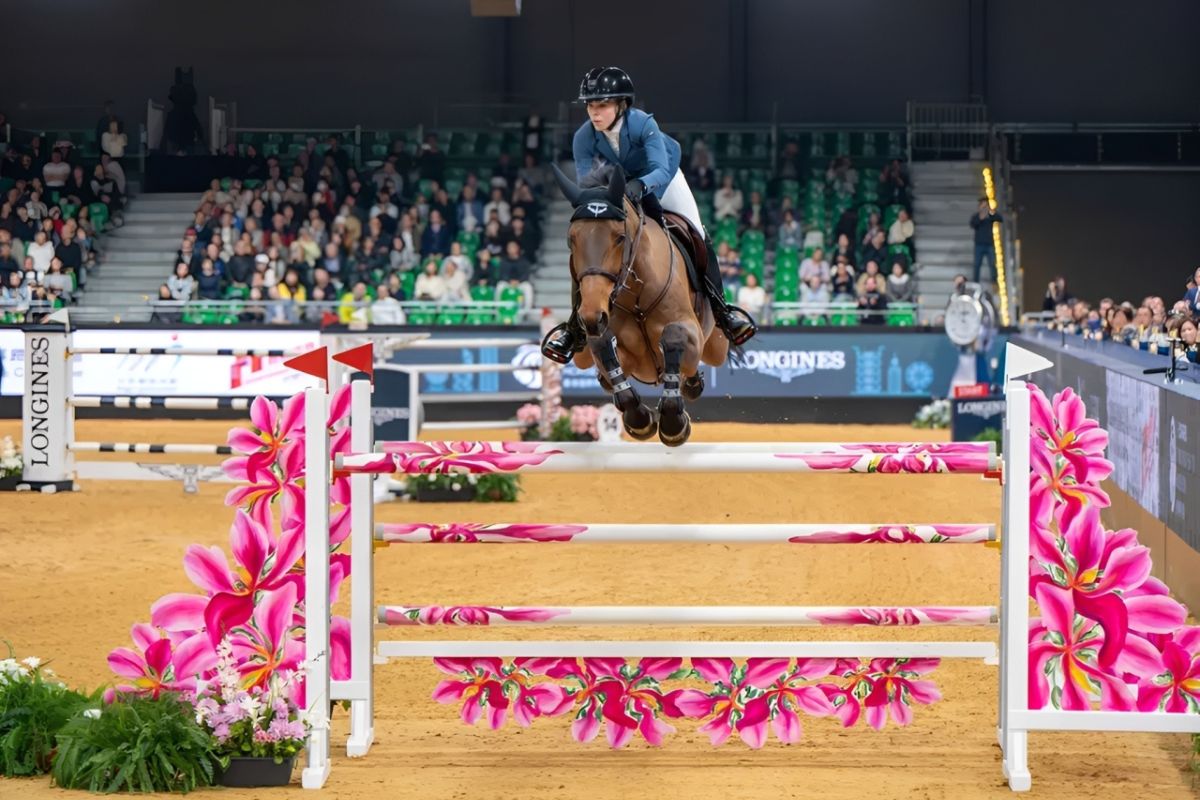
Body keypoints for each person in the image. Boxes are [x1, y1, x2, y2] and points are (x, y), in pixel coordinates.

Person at [541, 66, 756, 364]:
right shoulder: (583, 137)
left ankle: (722, 311)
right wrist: (608, 194)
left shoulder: (643, 124)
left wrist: (638, 185)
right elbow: (588, 184)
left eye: (602, 104)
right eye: (590, 105)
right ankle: (575, 328)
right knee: (589, 246)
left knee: (697, 232)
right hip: (621, 186)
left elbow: (661, 168)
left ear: (621, 105)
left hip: (662, 180)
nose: (594, 111)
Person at [970, 199, 1002, 283]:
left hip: (989, 244)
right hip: (979, 245)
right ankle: (975, 282)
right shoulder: (976, 216)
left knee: (992, 264)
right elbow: (973, 224)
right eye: (982, 206)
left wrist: (991, 212)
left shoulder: (990, 217)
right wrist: (981, 217)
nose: (984, 208)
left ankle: (994, 282)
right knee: (977, 265)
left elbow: (1000, 219)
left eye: (985, 206)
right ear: (979, 207)